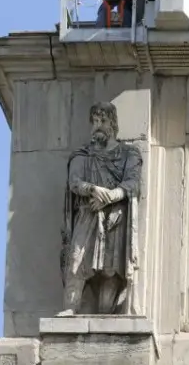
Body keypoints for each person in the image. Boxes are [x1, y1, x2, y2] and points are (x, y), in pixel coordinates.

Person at [61, 102, 142, 315]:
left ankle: (106, 315)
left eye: (102, 121)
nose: (97, 126)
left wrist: (111, 196)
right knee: (76, 261)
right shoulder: (83, 155)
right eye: (94, 121)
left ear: (113, 124)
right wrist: (93, 189)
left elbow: (133, 183)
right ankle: (70, 308)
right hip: (88, 214)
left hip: (115, 216)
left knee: (111, 271)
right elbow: (74, 181)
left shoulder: (128, 154)